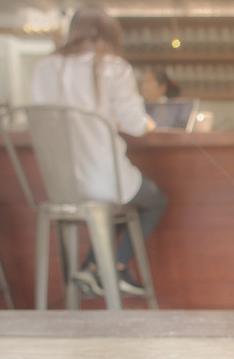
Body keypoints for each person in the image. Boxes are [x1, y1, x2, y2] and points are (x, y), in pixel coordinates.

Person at [31, 3, 168, 298]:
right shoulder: (113, 67)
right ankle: (114, 267)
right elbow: (135, 124)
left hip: (60, 186)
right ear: (109, 33)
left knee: (108, 211)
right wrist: (148, 123)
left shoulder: (45, 66)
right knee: (154, 200)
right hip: (104, 177)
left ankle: (93, 270)